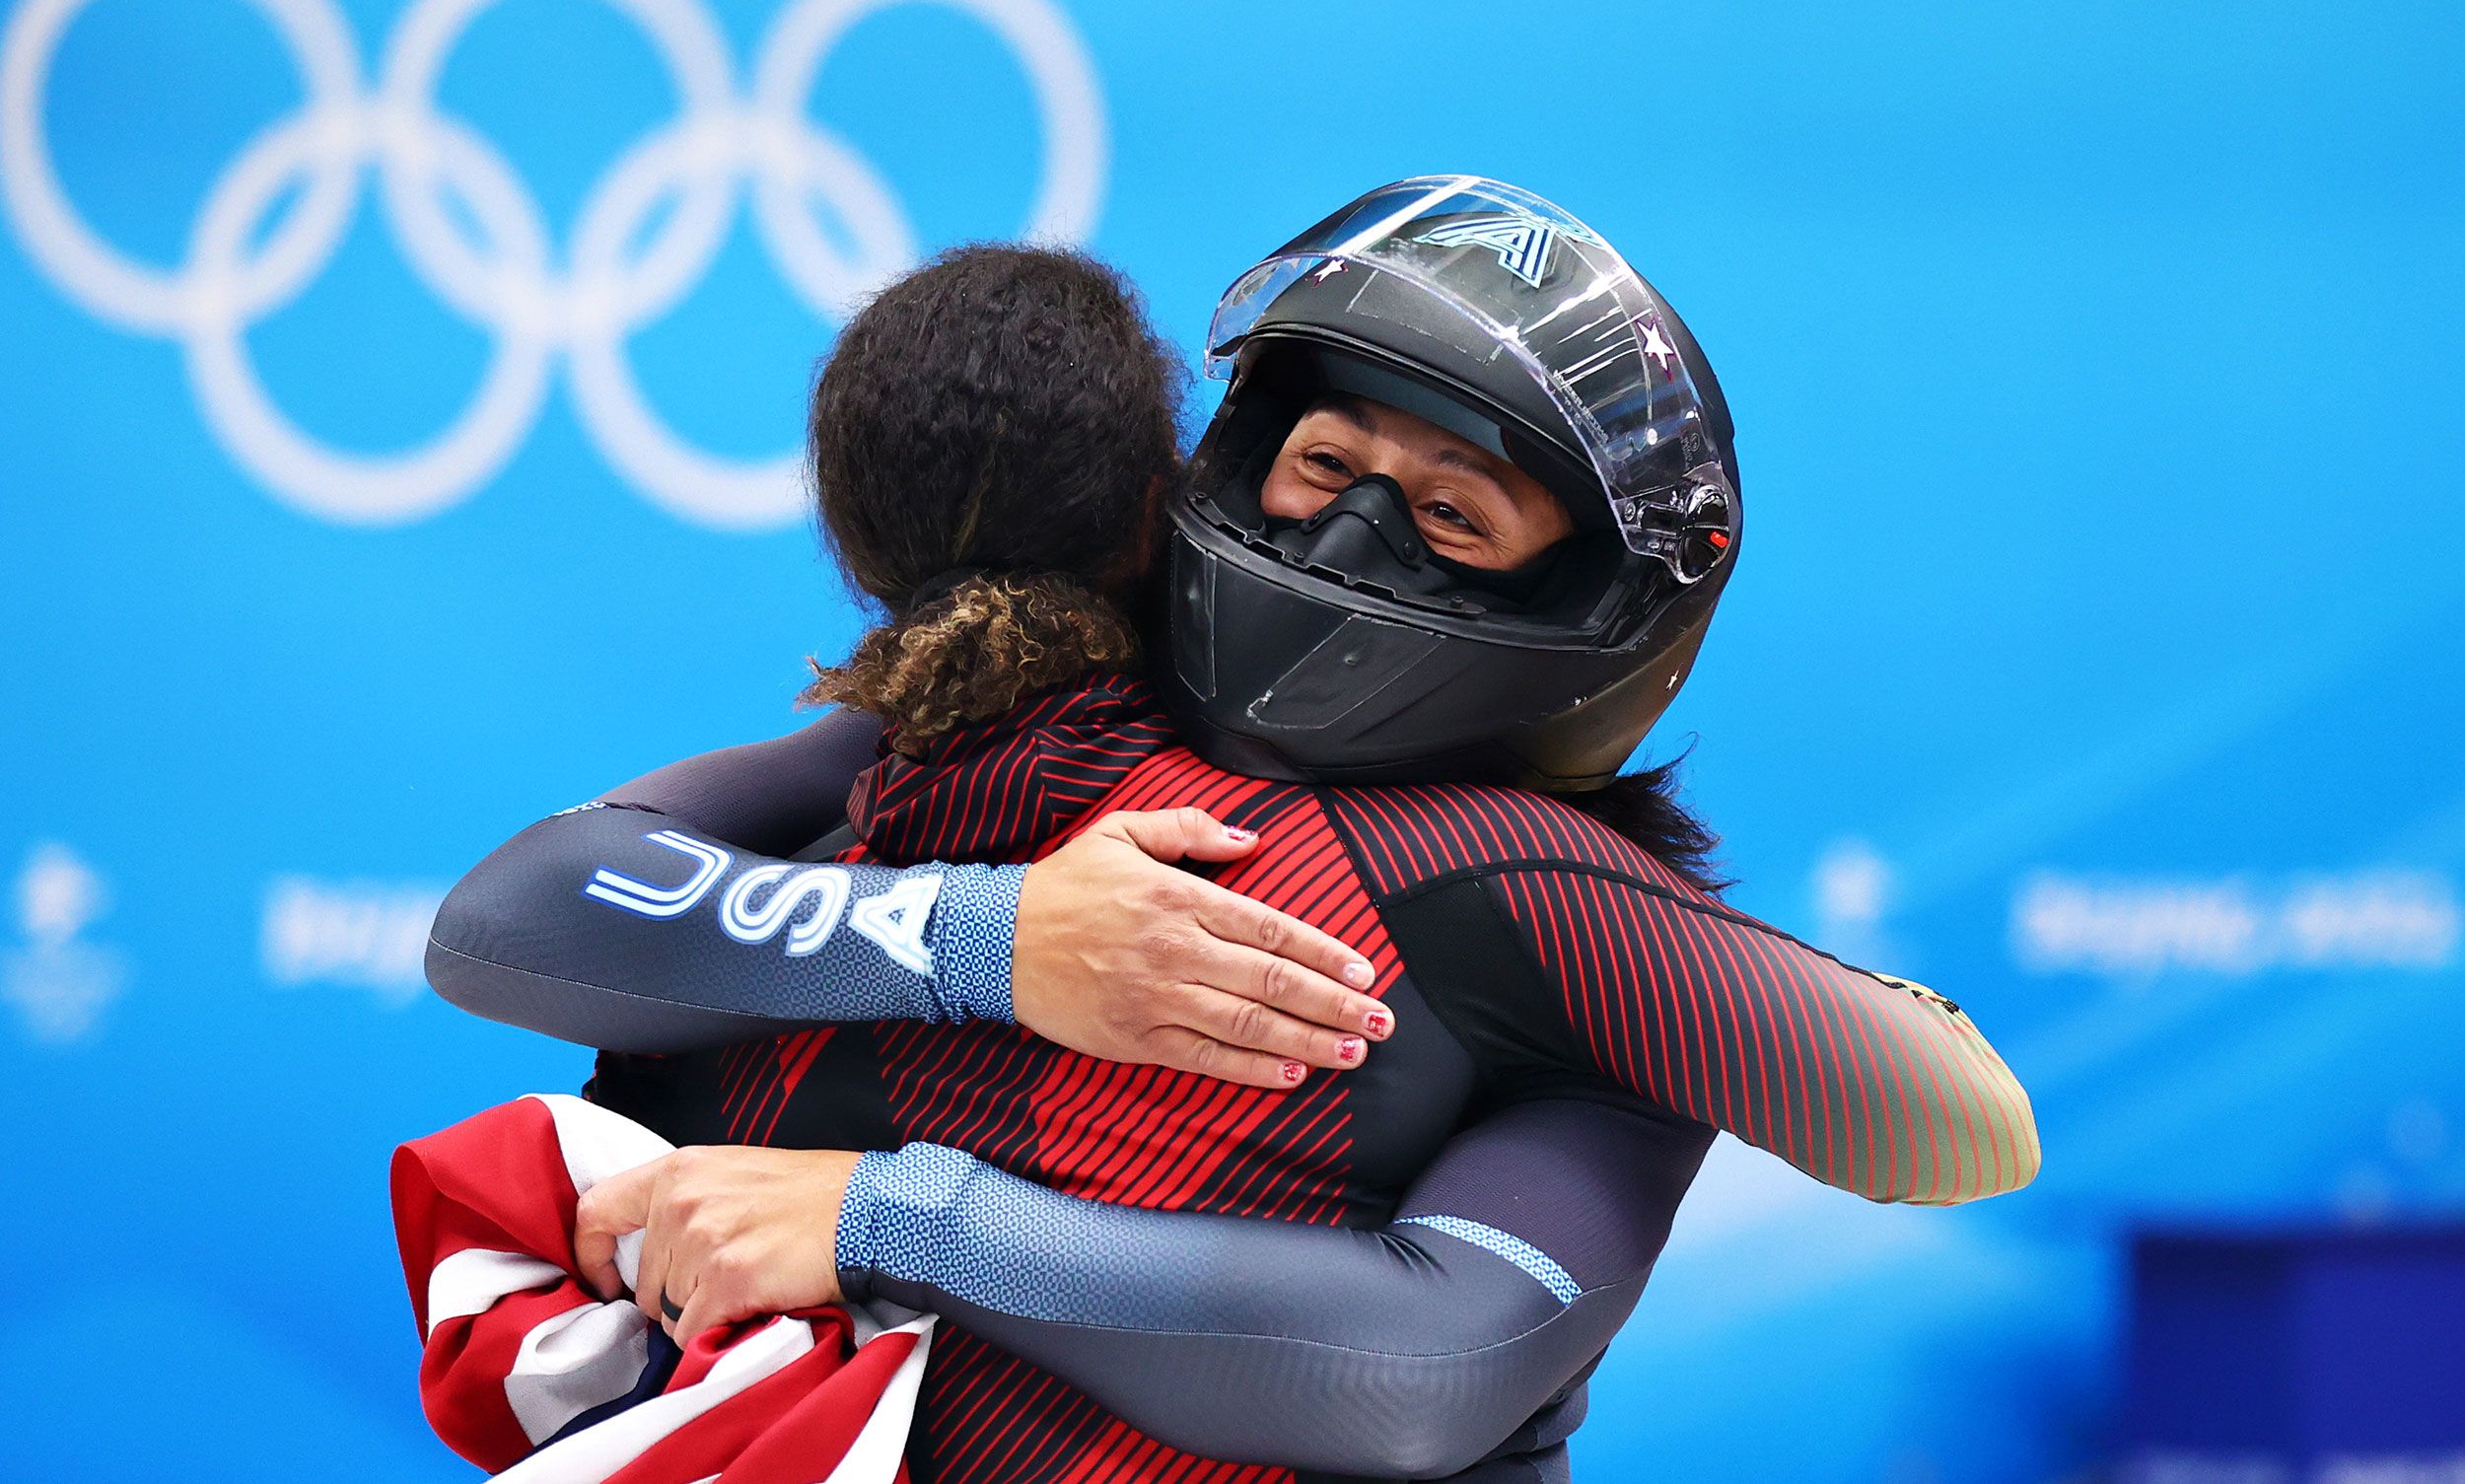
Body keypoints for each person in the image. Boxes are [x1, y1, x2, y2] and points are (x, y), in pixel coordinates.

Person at [431, 186, 2038, 1481]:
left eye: (1454, 510)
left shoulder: (1555, 911)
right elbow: (507, 923)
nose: (1352, 534)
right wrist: (993, 944)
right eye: (1326, 465)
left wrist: (882, 1218)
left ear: (1592, 604)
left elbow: (1416, 1376)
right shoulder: (979, 744)